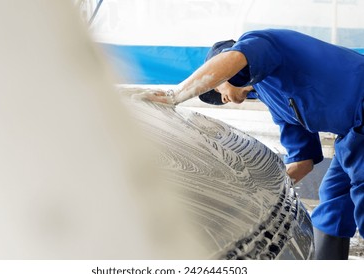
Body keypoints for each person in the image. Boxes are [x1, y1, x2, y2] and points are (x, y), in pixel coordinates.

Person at [140, 29, 364, 260]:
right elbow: (303, 162)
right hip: (352, 133)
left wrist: (176, 94)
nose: (221, 98)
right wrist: (251, 199)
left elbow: (237, 57)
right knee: (335, 197)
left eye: (216, 89)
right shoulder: (274, 101)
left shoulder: (264, 43)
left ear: (223, 73)